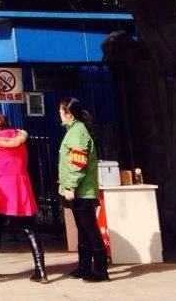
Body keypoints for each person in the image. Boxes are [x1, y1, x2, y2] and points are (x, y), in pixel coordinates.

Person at [0, 113, 47, 283]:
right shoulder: (19, 138)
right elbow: (26, 163)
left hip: (2, 189)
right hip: (22, 185)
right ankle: (41, 270)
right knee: (30, 229)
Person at [58, 97, 108, 282]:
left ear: (69, 114)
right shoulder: (74, 130)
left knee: (89, 228)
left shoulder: (77, 133)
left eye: (61, 111)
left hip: (82, 190)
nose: (59, 114)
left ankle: (100, 269)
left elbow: (77, 162)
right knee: (82, 227)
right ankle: (84, 265)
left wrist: (70, 186)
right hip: (79, 189)